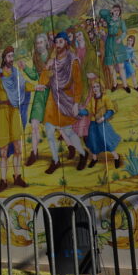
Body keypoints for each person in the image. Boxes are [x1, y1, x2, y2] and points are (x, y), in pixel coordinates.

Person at [39, 32, 85, 175]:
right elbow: (43, 82)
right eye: (56, 42)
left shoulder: (73, 61)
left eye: (61, 42)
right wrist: (47, 67)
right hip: (52, 100)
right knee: (49, 132)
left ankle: (83, 154)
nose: (58, 45)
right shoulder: (52, 61)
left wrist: (76, 103)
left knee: (68, 131)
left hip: (66, 100)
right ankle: (55, 160)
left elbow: (78, 83)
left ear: (66, 43)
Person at [0, 46, 30, 192]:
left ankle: (17, 176)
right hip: (1, 113)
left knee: (18, 148)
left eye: (12, 56)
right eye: (9, 56)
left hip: (14, 112)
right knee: (3, 151)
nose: (11, 59)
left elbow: (24, 86)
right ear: (4, 58)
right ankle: (3, 181)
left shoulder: (16, 73)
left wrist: (36, 87)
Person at [21, 34, 51, 167]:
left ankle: (72, 148)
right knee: (34, 124)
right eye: (37, 43)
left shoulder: (52, 56)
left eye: (41, 42)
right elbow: (34, 76)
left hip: (52, 93)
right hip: (40, 93)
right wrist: (25, 68)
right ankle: (34, 153)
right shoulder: (36, 58)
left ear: (46, 43)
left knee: (56, 125)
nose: (39, 45)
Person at [80, 79, 122, 170]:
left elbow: (111, 110)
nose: (95, 89)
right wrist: (79, 111)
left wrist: (103, 118)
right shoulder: (92, 99)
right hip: (93, 124)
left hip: (103, 123)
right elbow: (88, 110)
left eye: (97, 86)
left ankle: (116, 157)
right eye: (93, 87)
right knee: (93, 141)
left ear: (101, 87)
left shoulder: (105, 98)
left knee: (106, 140)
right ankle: (94, 159)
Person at [100, 5, 131, 92]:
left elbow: (125, 31)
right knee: (111, 66)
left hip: (117, 42)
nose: (117, 12)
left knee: (121, 66)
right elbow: (101, 12)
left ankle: (125, 85)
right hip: (109, 42)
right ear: (112, 11)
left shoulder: (121, 21)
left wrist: (121, 38)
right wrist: (110, 11)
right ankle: (115, 84)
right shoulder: (108, 18)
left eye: (118, 10)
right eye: (115, 10)